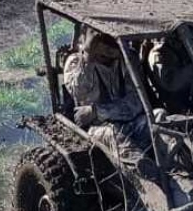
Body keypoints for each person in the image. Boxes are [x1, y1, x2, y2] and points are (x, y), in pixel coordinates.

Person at [63, 28, 150, 164]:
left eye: (111, 51)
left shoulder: (127, 59)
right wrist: (88, 57)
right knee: (113, 134)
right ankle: (146, 173)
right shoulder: (76, 62)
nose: (106, 55)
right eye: (102, 50)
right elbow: (78, 91)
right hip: (98, 129)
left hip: (129, 121)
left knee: (158, 117)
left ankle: (184, 168)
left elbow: (136, 103)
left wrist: (97, 111)